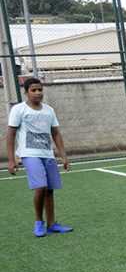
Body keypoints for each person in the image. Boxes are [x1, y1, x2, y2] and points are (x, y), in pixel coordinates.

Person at [6, 77, 73, 237]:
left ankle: (51, 224)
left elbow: (55, 133)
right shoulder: (19, 110)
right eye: (33, 90)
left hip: (47, 154)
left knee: (49, 190)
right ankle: (38, 222)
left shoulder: (49, 110)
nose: (38, 93)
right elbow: (10, 134)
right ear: (26, 92)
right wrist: (11, 159)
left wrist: (63, 156)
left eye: (40, 90)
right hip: (29, 154)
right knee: (41, 187)